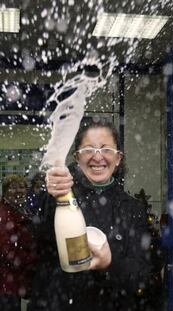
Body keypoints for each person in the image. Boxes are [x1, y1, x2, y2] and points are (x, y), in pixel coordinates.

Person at [29, 120, 152, 311]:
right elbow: (37, 240)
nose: (97, 157)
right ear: (77, 157)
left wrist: (109, 263)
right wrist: (51, 195)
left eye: (106, 149)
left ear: (118, 158)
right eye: (88, 149)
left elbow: (140, 275)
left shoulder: (132, 208)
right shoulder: (61, 194)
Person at [0, 174, 38, 311]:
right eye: (13, 187)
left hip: (14, 280)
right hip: (7, 282)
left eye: (22, 187)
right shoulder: (4, 214)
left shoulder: (21, 210)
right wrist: (34, 262)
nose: (19, 191)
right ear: (5, 191)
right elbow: (8, 250)